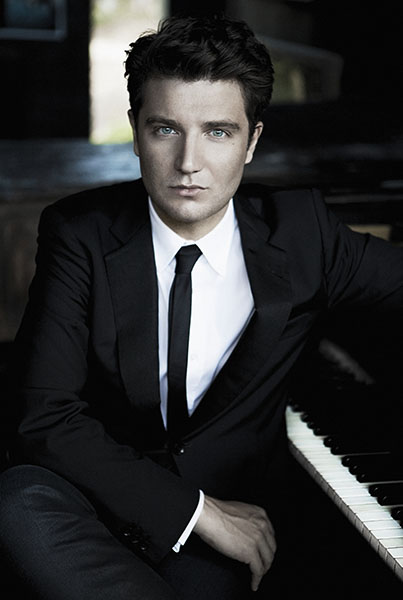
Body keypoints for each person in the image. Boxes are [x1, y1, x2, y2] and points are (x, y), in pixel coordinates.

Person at [0, 12, 402, 600]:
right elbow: (44, 415)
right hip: (101, 503)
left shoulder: (302, 233)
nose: (189, 162)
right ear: (136, 130)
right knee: (15, 500)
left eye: (217, 132)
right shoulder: (80, 233)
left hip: (224, 530)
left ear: (252, 141)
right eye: (166, 129)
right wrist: (194, 510)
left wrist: (211, 518)